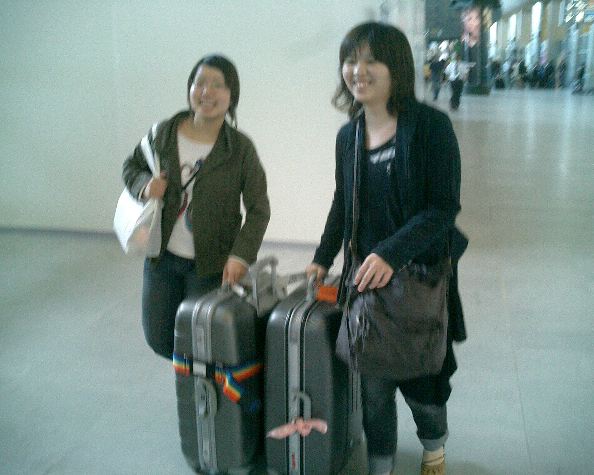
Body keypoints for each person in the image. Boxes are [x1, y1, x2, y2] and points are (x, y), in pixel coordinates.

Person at [306, 22, 467, 475]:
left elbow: (442, 207)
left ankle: (433, 449)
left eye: (371, 60)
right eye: (350, 60)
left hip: (418, 280)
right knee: (373, 386)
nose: (358, 70)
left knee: (424, 383)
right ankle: (381, 465)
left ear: (396, 67)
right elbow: (343, 202)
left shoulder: (431, 127)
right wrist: (322, 257)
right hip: (366, 282)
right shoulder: (349, 135)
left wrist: (391, 253)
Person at [122, 55, 270, 359]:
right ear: (189, 88)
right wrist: (145, 186)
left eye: (218, 85)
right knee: (159, 337)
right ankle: (188, 375)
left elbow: (259, 209)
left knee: (201, 339)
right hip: (161, 258)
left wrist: (241, 255)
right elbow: (132, 166)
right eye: (199, 83)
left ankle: (197, 384)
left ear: (232, 95)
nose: (207, 92)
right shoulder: (163, 133)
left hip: (211, 265)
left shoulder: (239, 148)